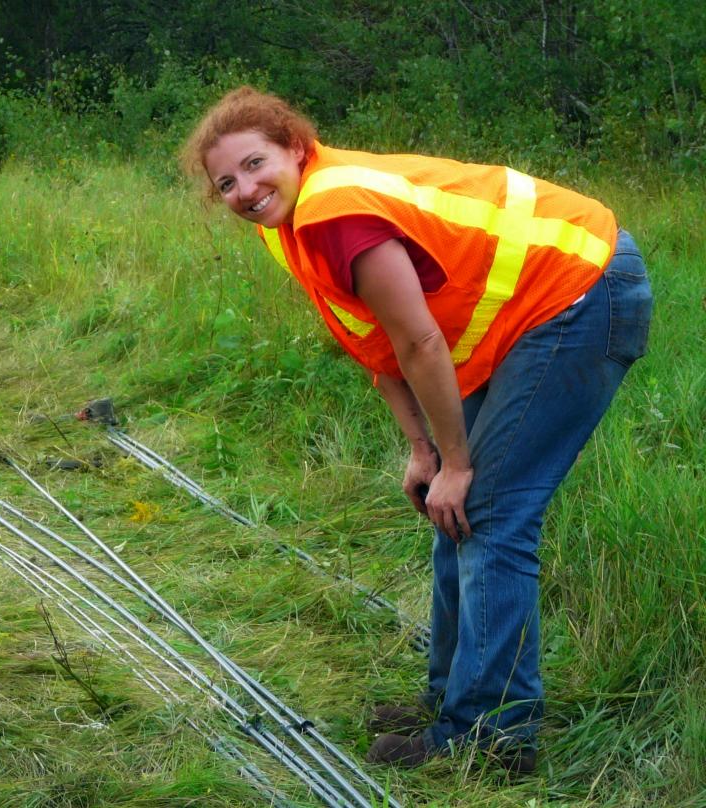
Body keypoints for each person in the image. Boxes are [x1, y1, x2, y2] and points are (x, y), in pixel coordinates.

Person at [182, 86, 653, 772]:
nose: (246, 189)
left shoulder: (334, 210)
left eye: (256, 164)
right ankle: (451, 699)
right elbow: (379, 342)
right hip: (532, 310)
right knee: (451, 507)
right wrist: (426, 453)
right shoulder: (288, 224)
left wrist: (458, 461)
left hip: (580, 291)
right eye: (227, 182)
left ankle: (494, 736)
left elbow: (422, 344)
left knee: (487, 508)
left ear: (295, 146)